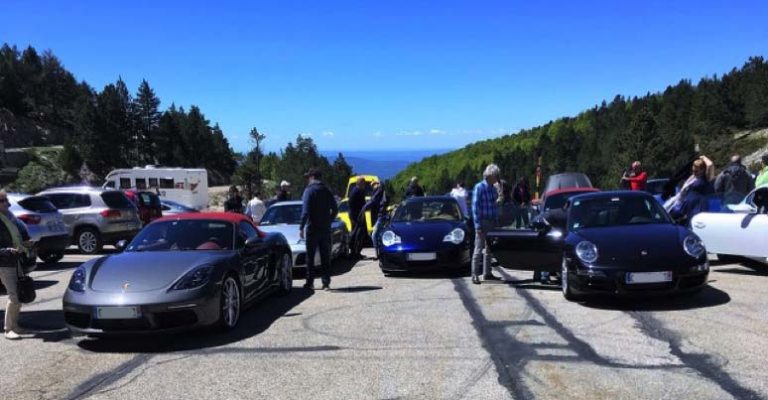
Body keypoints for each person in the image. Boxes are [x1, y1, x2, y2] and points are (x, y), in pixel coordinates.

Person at [299, 168, 338, 291]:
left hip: (312, 228)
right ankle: (326, 283)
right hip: (325, 228)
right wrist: (329, 220)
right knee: (325, 256)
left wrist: (301, 227)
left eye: (308, 177)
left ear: (311, 177)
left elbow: (305, 212)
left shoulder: (309, 191)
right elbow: (335, 209)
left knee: (310, 257)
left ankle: (310, 282)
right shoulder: (326, 190)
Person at [0, 190, 32, 340]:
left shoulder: (9, 217)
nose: (7, 203)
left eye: (6, 200)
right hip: (4, 262)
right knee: (14, 296)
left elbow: (19, 234)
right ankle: (7, 329)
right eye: (3, 201)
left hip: (16, 259)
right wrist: (7, 250)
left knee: (19, 294)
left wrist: (25, 243)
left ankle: (15, 326)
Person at [471, 164, 503, 284]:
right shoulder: (479, 187)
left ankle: (487, 273)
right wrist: (477, 225)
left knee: (489, 249)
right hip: (483, 220)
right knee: (479, 247)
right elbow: (475, 207)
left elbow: (493, 203)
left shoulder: (493, 188)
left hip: (491, 220)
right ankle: (474, 274)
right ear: (490, 175)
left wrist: (499, 199)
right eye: (496, 176)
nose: (497, 178)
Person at [668, 158, 714, 226]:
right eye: (693, 171)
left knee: (696, 224)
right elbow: (683, 189)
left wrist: (702, 157)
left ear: (702, 170)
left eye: (696, 171)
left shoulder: (706, 178)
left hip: (699, 206)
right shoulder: (693, 178)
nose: (694, 173)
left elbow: (710, 164)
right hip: (689, 206)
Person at [348, 176, 367, 258]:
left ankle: (356, 252)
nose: (365, 185)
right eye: (364, 183)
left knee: (359, 234)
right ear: (360, 183)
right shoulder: (356, 191)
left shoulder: (358, 191)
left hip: (358, 216)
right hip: (356, 217)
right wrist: (354, 217)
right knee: (356, 234)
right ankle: (354, 252)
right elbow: (351, 204)